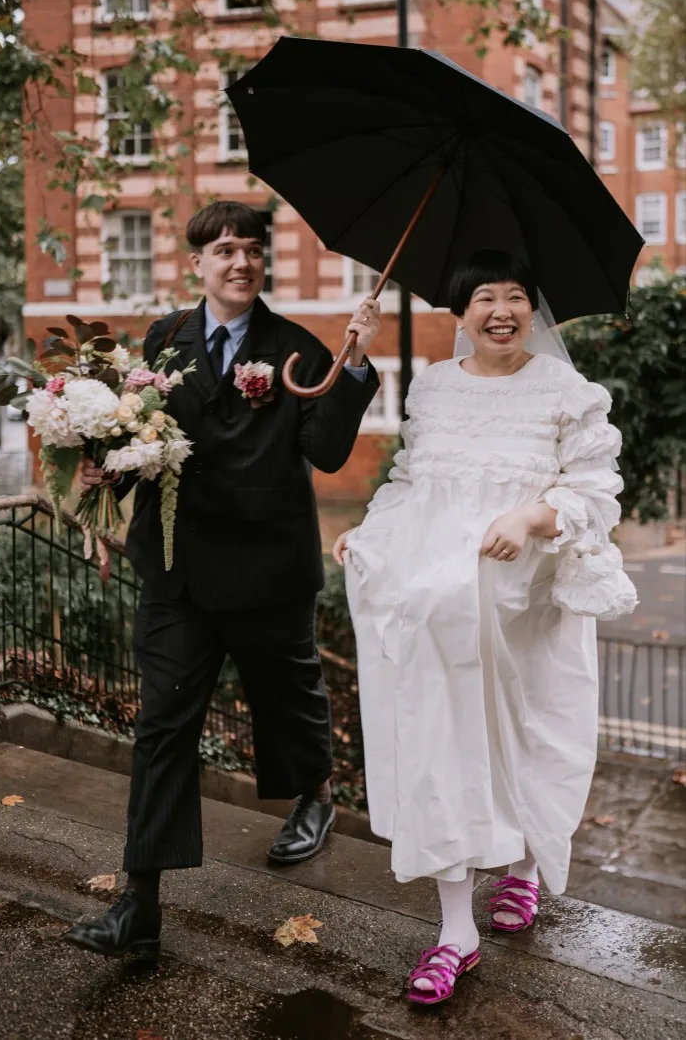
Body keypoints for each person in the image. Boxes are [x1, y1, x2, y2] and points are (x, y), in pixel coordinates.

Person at [65, 200, 381, 958]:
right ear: (198, 264)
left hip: (269, 565)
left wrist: (359, 363)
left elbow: (329, 452)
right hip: (176, 569)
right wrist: (98, 484)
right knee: (162, 728)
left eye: (251, 250)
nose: (241, 262)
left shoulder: (299, 348)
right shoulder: (164, 337)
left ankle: (315, 794)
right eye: (225, 250)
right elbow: (137, 432)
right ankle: (139, 901)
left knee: (289, 695)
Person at [334, 249, 630, 1005]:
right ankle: (454, 930)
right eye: (484, 299)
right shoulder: (433, 389)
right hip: (437, 603)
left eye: (516, 297)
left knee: (527, 737)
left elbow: (595, 492)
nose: (501, 310)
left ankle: (526, 868)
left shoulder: (567, 391)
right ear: (460, 313)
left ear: (533, 308)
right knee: (440, 744)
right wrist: (367, 536)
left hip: (523, 600)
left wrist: (531, 515)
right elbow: (409, 483)